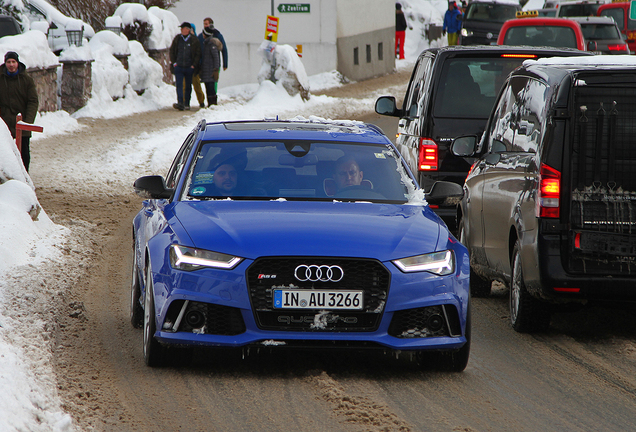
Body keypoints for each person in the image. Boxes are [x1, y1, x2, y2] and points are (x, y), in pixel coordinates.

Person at [0, 51, 38, 171]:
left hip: (22, 122)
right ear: (5, 63)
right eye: (8, 62)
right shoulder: (1, 79)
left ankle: (24, 177)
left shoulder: (27, 80)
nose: (11, 65)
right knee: (5, 153)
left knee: (24, 153)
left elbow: (33, 101)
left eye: (13, 62)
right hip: (5, 122)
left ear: (18, 63)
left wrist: (27, 122)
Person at [170, 22, 201, 111]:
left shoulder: (194, 40)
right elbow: (172, 51)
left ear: (188, 29)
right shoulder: (177, 39)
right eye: (181, 29)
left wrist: (193, 65)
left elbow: (198, 53)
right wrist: (174, 63)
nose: (181, 30)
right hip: (179, 66)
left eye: (183, 28)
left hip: (189, 67)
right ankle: (180, 103)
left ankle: (187, 103)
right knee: (179, 85)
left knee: (188, 86)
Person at [202, 17, 228, 94]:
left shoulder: (217, 35)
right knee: (206, 82)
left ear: (211, 24)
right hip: (205, 63)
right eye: (204, 24)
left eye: (206, 24)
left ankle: (213, 97)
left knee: (214, 81)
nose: (205, 25)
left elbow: (224, 49)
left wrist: (225, 63)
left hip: (214, 63)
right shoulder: (202, 35)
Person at [200, 26, 223, 106]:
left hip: (211, 70)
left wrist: (216, 69)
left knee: (211, 87)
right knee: (207, 87)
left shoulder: (211, 44)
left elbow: (216, 57)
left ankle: (213, 103)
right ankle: (210, 103)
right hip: (207, 69)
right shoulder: (206, 43)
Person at [188, 23, 206, 108]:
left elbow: (199, 54)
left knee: (197, 86)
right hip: (186, 66)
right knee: (185, 86)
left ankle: (201, 101)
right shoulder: (185, 40)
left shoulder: (196, 40)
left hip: (195, 67)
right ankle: (185, 103)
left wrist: (197, 65)